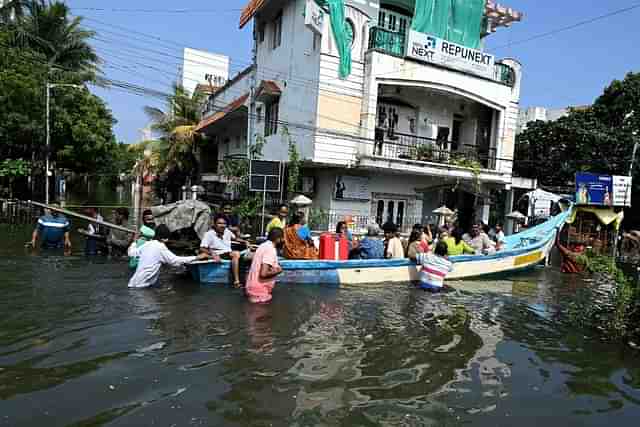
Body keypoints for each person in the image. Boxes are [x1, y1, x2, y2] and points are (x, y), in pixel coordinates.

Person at [128, 224, 210, 289]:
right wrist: (197, 257)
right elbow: (175, 261)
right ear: (165, 239)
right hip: (143, 285)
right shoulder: (160, 247)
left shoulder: (147, 244)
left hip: (132, 283)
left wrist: (134, 242)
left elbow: (131, 253)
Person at [200, 214, 245, 287]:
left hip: (228, 253)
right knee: (236, 253)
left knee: (248, 254)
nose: (222, 225)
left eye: (224, 223)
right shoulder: (209, 234)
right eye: (219, 223)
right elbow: (202, 248)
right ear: (214, 224)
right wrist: (212, 253)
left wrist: (245, 242)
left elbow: (235, 239)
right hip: (219, 253)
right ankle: (236, 281)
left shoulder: (227, 231)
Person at [245, 228, 285, 304]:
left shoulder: (263, 245)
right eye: (283, 238)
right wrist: (278, 271)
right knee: (261, 314)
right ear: (278, 239)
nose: (284, 241)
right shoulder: (270, 250)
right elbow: (263, 274)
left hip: (252, 287)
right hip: (259, 291)